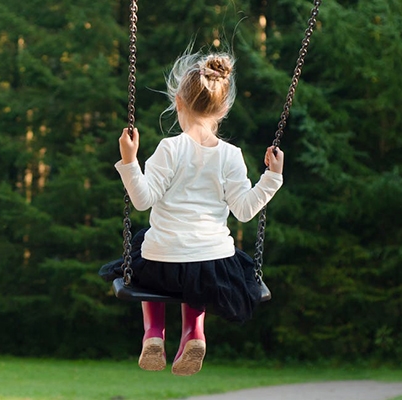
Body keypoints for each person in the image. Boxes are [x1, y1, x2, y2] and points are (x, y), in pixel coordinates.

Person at [101, 48, 284, 376]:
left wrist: (130, 161)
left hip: (162, 263)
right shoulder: (231, 155)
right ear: (223, 109)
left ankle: (153, 333)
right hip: (212, 265)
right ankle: (194, 334)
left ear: (178, 103)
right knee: (198, 270)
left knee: (145, 248)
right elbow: (244, 211)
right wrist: (272, 177)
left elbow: (142, 200)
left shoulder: (169, 148)